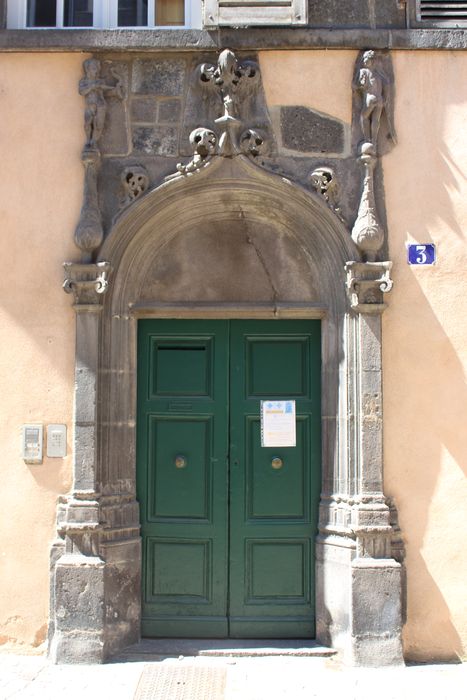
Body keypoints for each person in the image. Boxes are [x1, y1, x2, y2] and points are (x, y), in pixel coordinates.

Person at [79, 58, 123, 147]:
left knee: (99, 125)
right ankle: (88, 140)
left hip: (101, 105)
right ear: (88, 69)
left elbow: (104, 90)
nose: (97, 70)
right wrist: (91, 87)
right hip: (90, 105)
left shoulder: (100, 81)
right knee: (88, 123)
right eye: (94, 68)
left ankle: (94, 141)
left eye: (97, 68)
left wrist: (114, 89)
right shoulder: (83, 81)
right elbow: (81, 92)